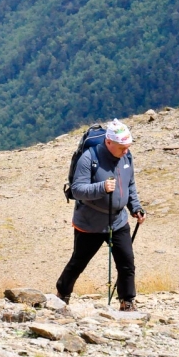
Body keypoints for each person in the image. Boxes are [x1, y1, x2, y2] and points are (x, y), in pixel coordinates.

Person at [55, 119, 146, 311]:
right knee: (78, 262)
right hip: (90, 223)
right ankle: (62, 295)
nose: (126, 151)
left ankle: (127, 302)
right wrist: (102, 188)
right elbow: (77, 190)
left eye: (128, 147)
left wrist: (135, 208)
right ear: (109, 142)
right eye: (122, 147)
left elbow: (130, 185)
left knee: (126, 263)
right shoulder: (89, 158)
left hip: (118, 221)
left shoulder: (126, 157)